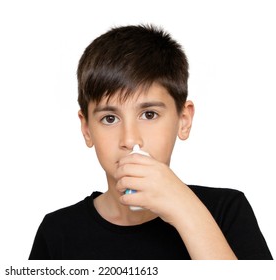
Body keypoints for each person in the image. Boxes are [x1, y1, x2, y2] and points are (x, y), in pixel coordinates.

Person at [29, 24, 273, 260]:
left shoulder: (227, 210)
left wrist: (186, 209)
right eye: (110, 118)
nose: (130, 139)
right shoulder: (57, 232)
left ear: (184, 120)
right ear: (87, 129)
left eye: (149, 114)